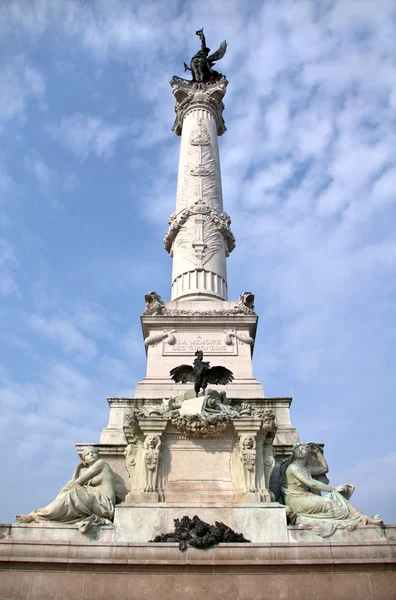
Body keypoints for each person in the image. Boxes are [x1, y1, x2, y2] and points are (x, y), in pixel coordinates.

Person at [280, 442, 382, 536]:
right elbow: (312, 484)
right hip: (297, 501)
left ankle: (362, 517)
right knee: (328, 502)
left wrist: (318, 454)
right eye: (298, 449)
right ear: (293, 453)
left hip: (306, 497)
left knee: (336, 497)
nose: (301, 451)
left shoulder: (307, 468)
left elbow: (324, 469)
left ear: (308, 452)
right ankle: (361, 519)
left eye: (303, 448)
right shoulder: (293, 468)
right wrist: (333, 489)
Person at [16, 446, 116, 533]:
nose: (92, 455)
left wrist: (68, 488)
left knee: (70, 495)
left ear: (98, 455)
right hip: (95, 500)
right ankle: (42, 514)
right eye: (88, 454)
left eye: (94, 452)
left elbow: (76, 483)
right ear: (84, 459)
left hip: (104, 503)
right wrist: (78, 468)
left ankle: (38, 515)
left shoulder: (101, 464)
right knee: (70, 493)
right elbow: (73, 483)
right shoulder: (91, 470)